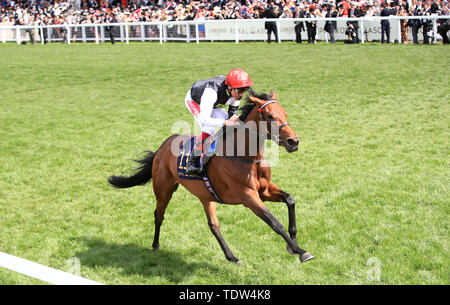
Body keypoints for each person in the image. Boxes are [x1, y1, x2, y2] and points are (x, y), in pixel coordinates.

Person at [184, 69, 254, 174]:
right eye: (239, 91)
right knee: (209, 129)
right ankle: (192, 162)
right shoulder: (211, 92)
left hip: (215, 104)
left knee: (232, 124)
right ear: (229, 87)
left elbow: (233, 111)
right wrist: (226, 123)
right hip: (195, 101)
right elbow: (205, 120)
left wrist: (234, 119)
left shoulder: (236, 90)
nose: (241, 95)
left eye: (245, 90)